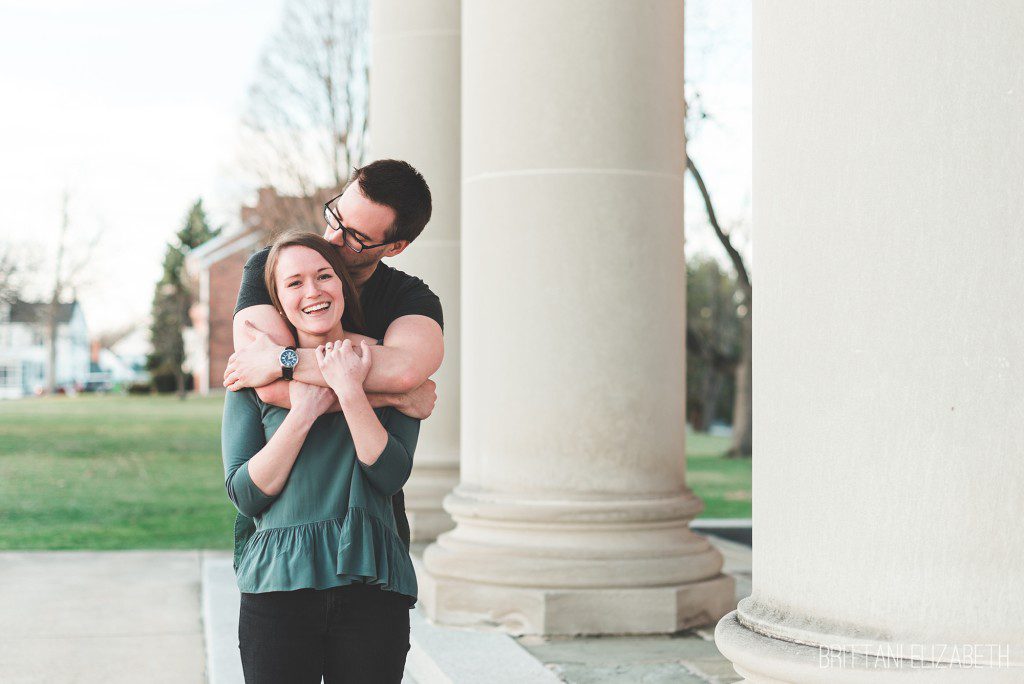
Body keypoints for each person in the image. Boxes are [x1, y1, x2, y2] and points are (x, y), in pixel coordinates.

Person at [223, 159, 445, 561]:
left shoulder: (412, 301)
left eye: (356, 237)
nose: (333, 237)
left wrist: (282, 359)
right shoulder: (269, 268)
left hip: (370, 530)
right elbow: (264, 384)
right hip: (279, 531)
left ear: (394, 247)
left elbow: (406, 370)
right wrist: (393, 396)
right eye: (336, 215)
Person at [223, 231, 419, 682]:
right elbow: (246, 494)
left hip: (371, 585)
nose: (312, 292)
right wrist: (303, 412)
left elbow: (389, 475)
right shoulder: (253, 371)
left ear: (343, 287)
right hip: (277, 586)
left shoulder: (389, 365)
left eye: (324, 276)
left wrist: (349, 387)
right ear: (278, 299)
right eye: (294, 283)